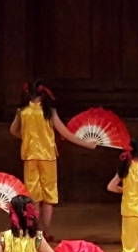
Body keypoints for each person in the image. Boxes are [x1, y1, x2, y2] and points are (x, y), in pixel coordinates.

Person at [10, 80, 97, 240]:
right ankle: (47, 231)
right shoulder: (49, 112)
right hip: (48, 157)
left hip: (30, 157)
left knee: (33, 196)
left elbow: (13, 130)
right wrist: (88, 145)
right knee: (49, 195)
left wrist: (27, 138)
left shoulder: (22, 111)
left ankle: (35, 231)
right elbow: (66, 134)